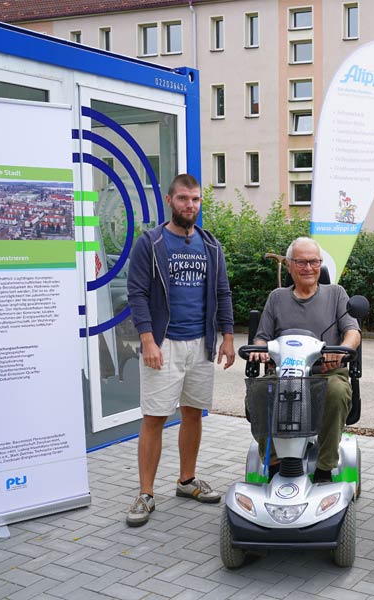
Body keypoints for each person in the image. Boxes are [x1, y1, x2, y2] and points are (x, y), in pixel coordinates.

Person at [125, 173, 236, 527]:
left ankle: (186, 481)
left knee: (192, 413)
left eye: (196, 200)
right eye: (184, 199)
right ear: (170, 200)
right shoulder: (151, 243)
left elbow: (222, 293)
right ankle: (145, 493)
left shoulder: (211, 245)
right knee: (154, 417)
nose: (190, 205)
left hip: (200, 345)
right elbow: (137, 293)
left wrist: (228, 336)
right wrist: (147, 339)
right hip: (164, 344)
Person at [248, 237, 361, 482]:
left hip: (325, 373)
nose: (308, 268)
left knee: (336, 392)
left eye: (314, 262)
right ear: (289, 265)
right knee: (259, 392)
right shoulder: (277, 297)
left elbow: (353, 332)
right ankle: (276, 463)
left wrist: (341, 350)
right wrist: (260, 350)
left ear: (320, 265)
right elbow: (262, 338)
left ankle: (324, 467)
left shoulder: (336, 293)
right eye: (301, 262)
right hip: (283, 373)